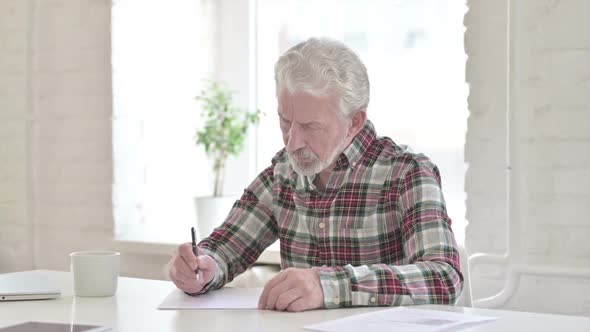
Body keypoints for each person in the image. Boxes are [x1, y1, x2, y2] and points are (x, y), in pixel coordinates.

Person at [168, 37, 463, 312]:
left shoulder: (407, 173)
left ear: (354, 122)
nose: (292, 142)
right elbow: (224, 248)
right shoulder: (283, 173)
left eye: (310, 126)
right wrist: (202, 267)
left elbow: (444, 277)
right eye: (285, 121)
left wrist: (329, 287)